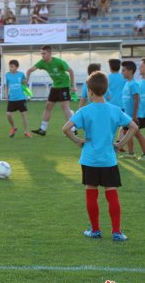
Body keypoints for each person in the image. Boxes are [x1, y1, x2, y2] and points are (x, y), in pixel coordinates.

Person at [62, 71, 137, 242]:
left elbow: (65, 128)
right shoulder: (115, 110)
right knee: (112, 194)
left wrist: (77, 141)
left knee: (91, 193)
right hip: (108, 159)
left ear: (89, 91)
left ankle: (95, 230)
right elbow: (133, 126)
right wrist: (120, 143)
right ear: (106, 89)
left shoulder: (84, 111)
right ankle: (116, 232)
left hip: (89, 159)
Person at [26, 45, 76, 136]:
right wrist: (26, 80)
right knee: (48, 106)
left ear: (50, 53)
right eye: (41, 53)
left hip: (64, 86)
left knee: (64, 107)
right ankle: (42, 129)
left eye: (44, 53)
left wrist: (72, 86)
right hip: (55, 86)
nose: (42, 55)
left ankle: (73, 129)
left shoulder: (59, 62)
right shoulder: (42, 62)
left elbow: (71, 71)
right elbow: (29, 70)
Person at [120, 61, 145, 159]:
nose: (122, 72)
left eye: (123, 70)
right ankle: (131, 153)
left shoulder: (134, 84)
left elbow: (136, 99)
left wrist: (134, 115)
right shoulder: (127, 83)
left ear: (130, 71)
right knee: (126, 132)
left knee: (137, 134)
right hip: (127, 115)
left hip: (133, 116)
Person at [4, 60, 30, 138]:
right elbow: (6, 86)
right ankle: (14, 127)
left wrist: (28, 76)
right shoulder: (7, 75)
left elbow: (25, 83)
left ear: (17, 67)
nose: (10, 68)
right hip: (12, 98)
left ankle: (26, 131)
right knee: (8, 114)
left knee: (23, 114)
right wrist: (6, 94)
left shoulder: (21, 74)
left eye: (12, 66)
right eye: (9, 66)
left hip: (21, 98)